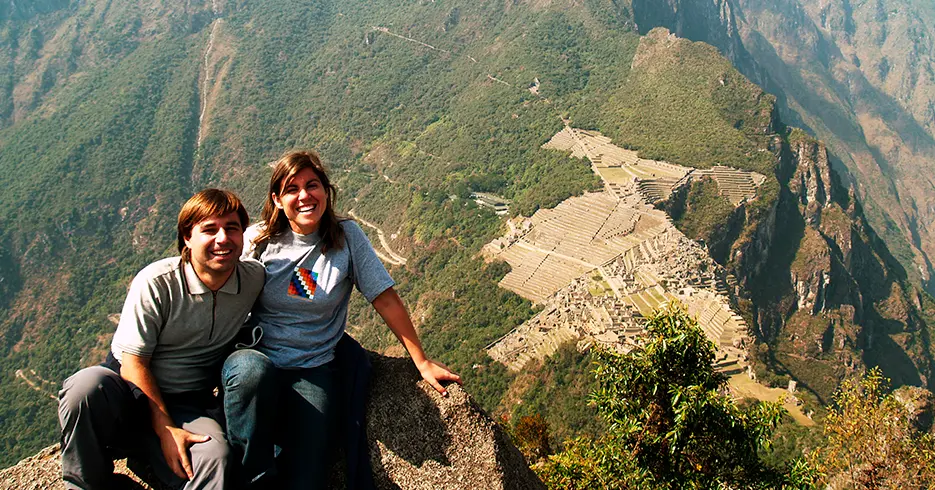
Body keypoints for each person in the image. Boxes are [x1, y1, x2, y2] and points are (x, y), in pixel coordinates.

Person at [222, 150, 461, 489]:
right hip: (258, 355)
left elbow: (384, 298)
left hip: (311, 365)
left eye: (312, 185)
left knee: (310, 473)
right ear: (277, 199)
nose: (304, 196)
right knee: (249, 374)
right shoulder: (258, 241)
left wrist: (420, 361)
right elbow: (218, 288)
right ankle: (254, 479)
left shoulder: (345, 239)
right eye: (292, 189)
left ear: (326, 191)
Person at [58, 189, 265, 490]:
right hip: (127, 393)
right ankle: (89, 484)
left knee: (213, 456)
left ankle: (150, 460)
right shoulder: (157, 283)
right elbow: (133, 363)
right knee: (84, 388)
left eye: (232, 228)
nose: (223, 238)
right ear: (187, 237)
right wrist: (165, 428)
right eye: (209, 229)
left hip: (188, 402)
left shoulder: (252, 279)